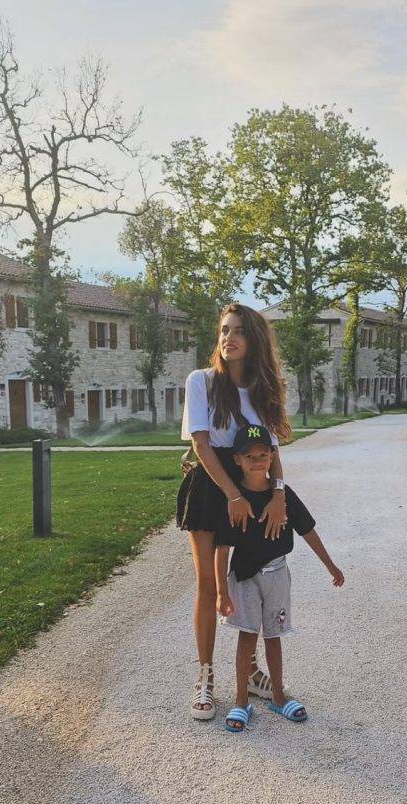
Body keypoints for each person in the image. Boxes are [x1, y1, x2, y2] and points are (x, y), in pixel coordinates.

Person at [177, 303, 292, 720]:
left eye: (239, 330)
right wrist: (232, 495)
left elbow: (272, 451)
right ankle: (205, 677)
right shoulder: (201, 381)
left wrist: (278, 493)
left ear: (254, 340)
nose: (229, 337)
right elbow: (201, 444)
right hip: (212, 488)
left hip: (254, 488)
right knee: (209, 585)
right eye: (225, 330)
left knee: (253, 579)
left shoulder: (265, 389)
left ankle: (252, 670)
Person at [214, 423, 345, 733]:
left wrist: (331, 566)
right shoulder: (235, 501)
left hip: (277, 574)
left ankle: (278, 696)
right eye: (249, 456)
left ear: (272, 456)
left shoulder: (283, 496)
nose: (257, 461)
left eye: (263, 454)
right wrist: (221, 591)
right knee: (247, 637)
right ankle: (241, 701)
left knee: (274, 636)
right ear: (237, 460)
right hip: (245, 577)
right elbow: (223, 549)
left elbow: (308, 531)